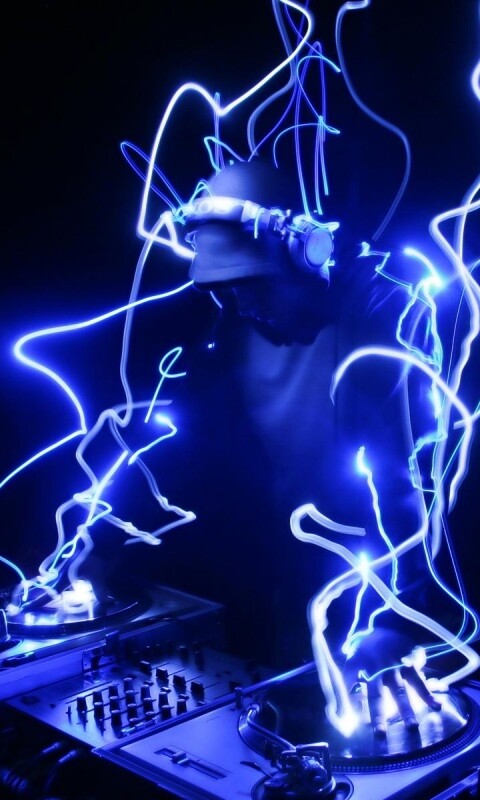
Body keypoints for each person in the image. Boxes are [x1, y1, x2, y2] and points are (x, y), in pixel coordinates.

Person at [153, 155, 471, 736]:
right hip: (294, 604)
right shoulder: (227, 332)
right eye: (228, 289)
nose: (243, 305)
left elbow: (415, 485)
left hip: (397, 616)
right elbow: (178, 445)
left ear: (307, 251)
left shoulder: (387, 315)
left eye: (254, 286)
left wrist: (401, 618)